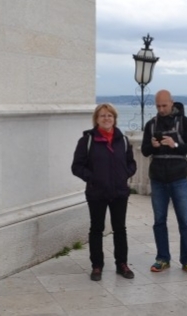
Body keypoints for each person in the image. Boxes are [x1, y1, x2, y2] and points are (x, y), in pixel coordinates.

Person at [71, 103, 137, 281]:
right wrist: (93, 178)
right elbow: (76, 167)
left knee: (120, 229)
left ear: (114, 119)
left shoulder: (123, 140)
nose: (106, 118)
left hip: (119, 192)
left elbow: (131, 163)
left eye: (110, 115)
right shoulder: (87, 141)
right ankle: (97, 266)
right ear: (96, 119)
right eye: (103, 115)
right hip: (97, 192)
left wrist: (124, 174)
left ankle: (122, 264)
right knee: (96, 229)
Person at [141, 90, 187, 276]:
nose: (161, 109)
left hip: (179, 179)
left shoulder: (184, 122)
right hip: (158, 180)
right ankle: (162, 258)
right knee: (159, 221)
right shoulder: (151, 124)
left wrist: (174, 144)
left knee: (185, 222)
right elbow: (144, 150)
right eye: (158, 106)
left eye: (164, 105)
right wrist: (153, 146)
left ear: (172, 103)